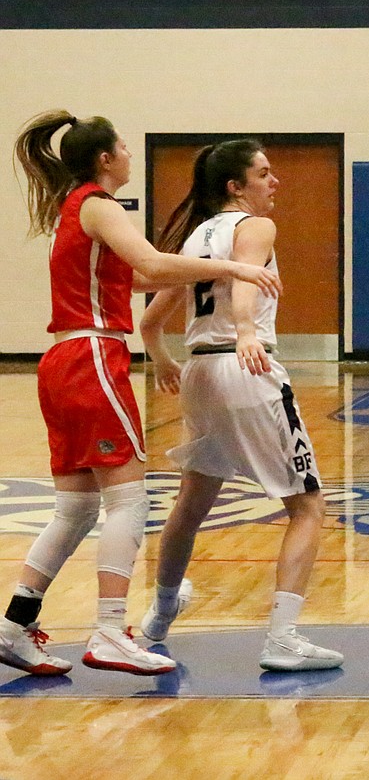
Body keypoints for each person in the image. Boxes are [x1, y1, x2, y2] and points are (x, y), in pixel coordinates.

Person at [0, 111, 282, 677]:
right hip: (91, 358)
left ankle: (11, 625)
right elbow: (152, 262)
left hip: (61, 360)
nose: (129, 154)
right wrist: (235, 266)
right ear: (105, 159)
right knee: (129, 500)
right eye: (124, 147)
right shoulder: (99, 204)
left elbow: (142, 279)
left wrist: (207, 275)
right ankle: (109, 630)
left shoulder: (76, 208)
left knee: (76, 508)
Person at [136, 139, 343, 672]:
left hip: (201, 371)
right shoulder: (254, 227)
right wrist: (248, 330)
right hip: (244, 367)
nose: (274, 181)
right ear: (236, 186)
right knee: (308, 505)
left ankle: (158, 619)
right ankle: (282, 637)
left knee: (193, 500)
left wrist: (161, 358)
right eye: (264, 173)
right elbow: (248, 279)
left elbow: (150, 320)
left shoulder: (196, 236)